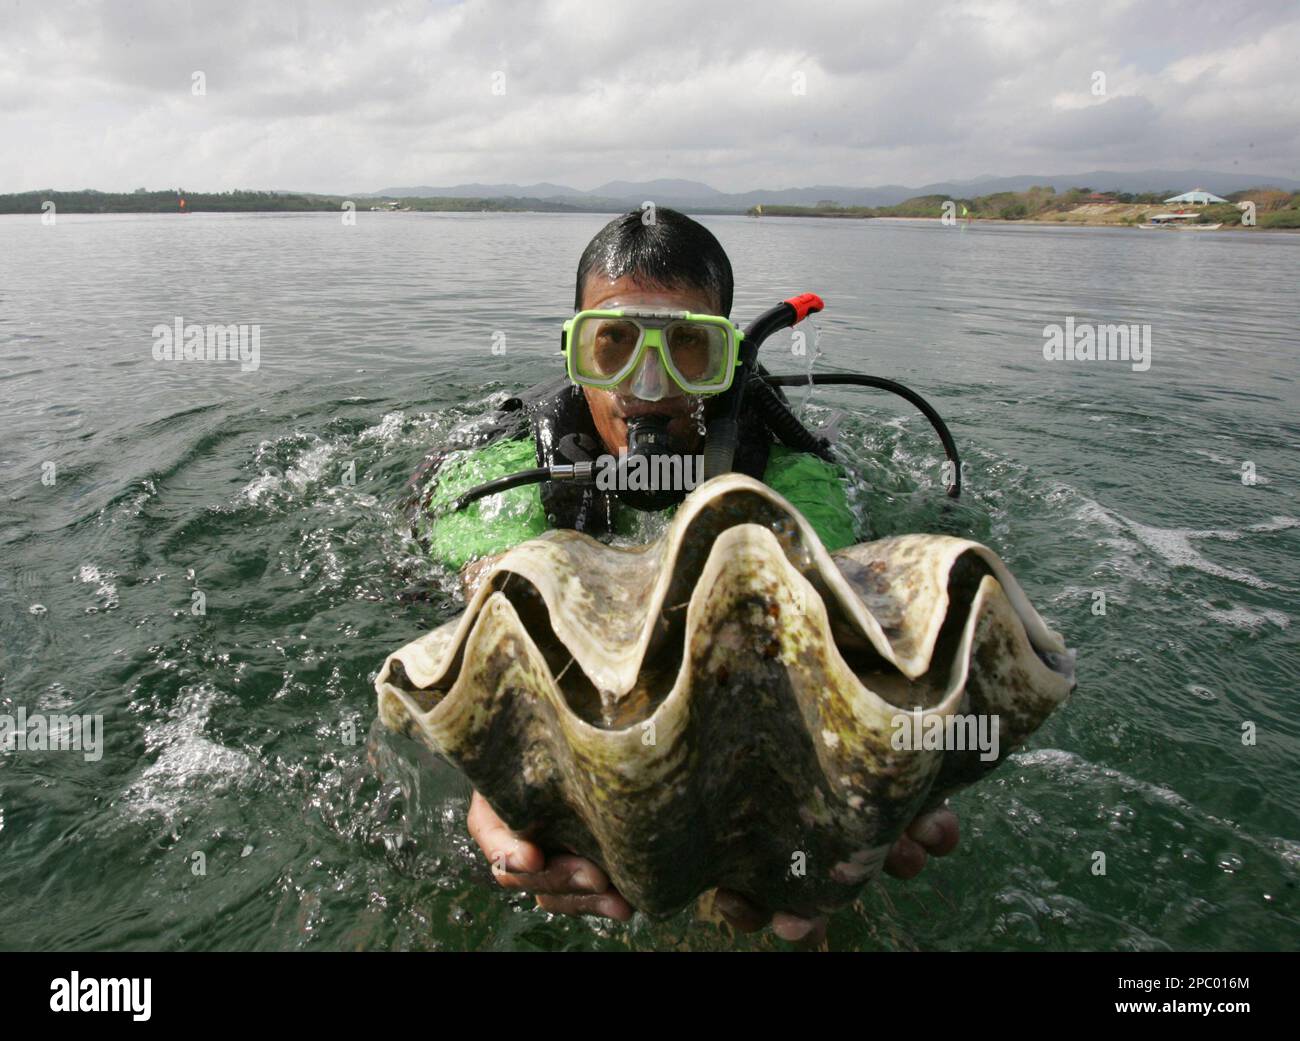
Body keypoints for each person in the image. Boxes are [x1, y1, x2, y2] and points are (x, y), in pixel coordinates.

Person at [408, 208, 959, 944]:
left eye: (687, 349)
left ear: (729, 356)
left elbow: (825, 609)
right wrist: (509, 762)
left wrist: (863, 767)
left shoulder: (794, 474)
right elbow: (494, 593)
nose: (646, 382)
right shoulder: (506, 470)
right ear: (575, 349)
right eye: (614, 344)